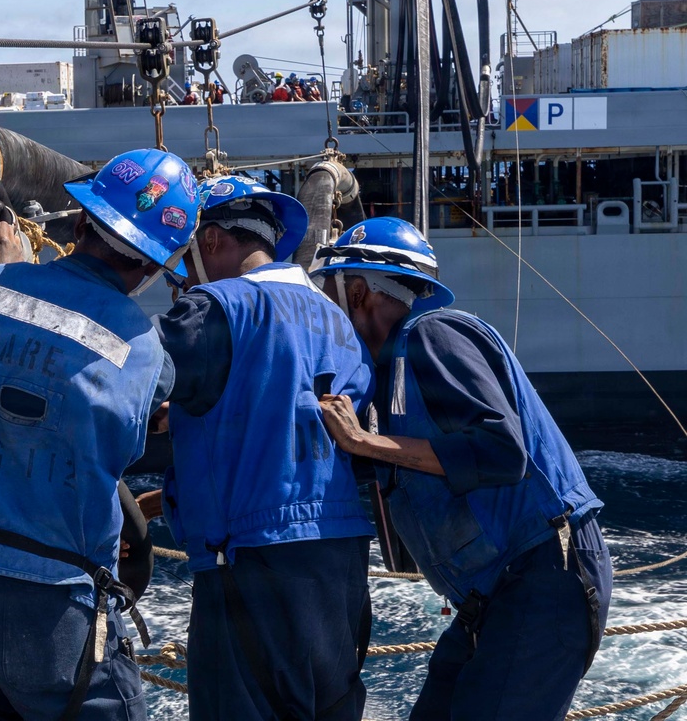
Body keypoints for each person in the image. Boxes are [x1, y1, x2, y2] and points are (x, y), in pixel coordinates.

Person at [0, 149, 202, 721]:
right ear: (152, 268)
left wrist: (1, 266)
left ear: (82, 224)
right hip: (53, 605)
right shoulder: (146, 353)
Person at [310, 217, 613, 721]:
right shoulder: (388, 379)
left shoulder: (432, 335)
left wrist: (367, 441)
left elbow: (502, 451)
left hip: (542, 577)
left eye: (330, 295)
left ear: (358, 291)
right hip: (495, 593)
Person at [138, 175, 376, 720]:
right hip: (338, 560)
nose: (180, 275)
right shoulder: (338, 322)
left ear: (214, 241)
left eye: (186, 254)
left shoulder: (215, 306)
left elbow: (126, 384)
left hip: (251, 562)